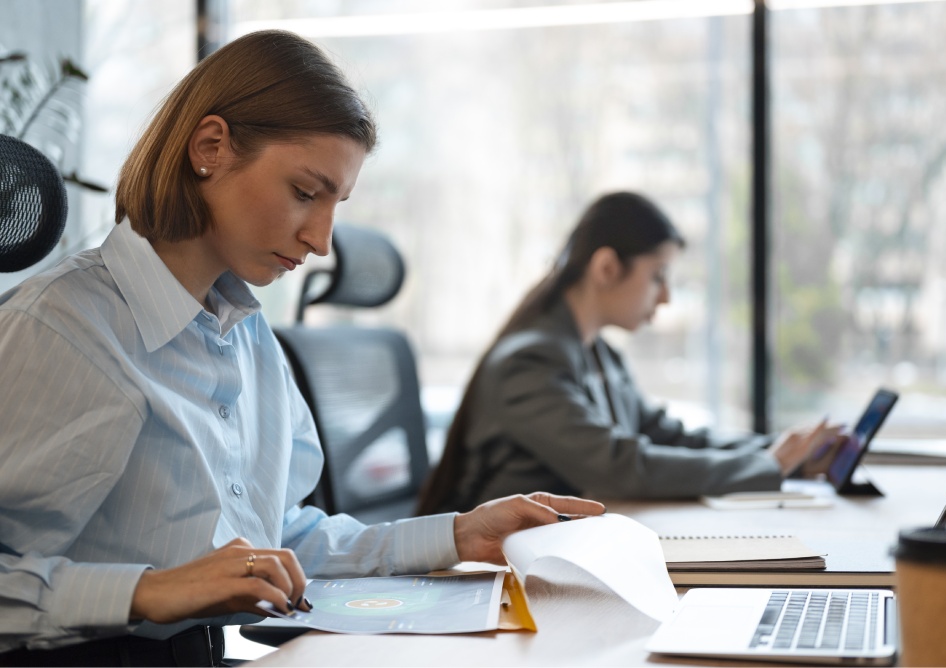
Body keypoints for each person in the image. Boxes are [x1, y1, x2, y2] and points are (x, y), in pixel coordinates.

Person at [0, 30, 604, 666]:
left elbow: (275, 542)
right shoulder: (62, 327)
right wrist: (147, 592)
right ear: (211, 149)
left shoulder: (245, 332)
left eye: (336, 205)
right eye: (304, 192)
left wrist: (457, 534)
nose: (321, 240)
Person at [417, 192, 841, 515]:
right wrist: (766, 466)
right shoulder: (527, 364)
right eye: (657, 276)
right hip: (495, 573)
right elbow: (617, 466)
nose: (666, 296)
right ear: (606, 268)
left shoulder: (600, 356)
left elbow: (669, 438)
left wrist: (781, 452)